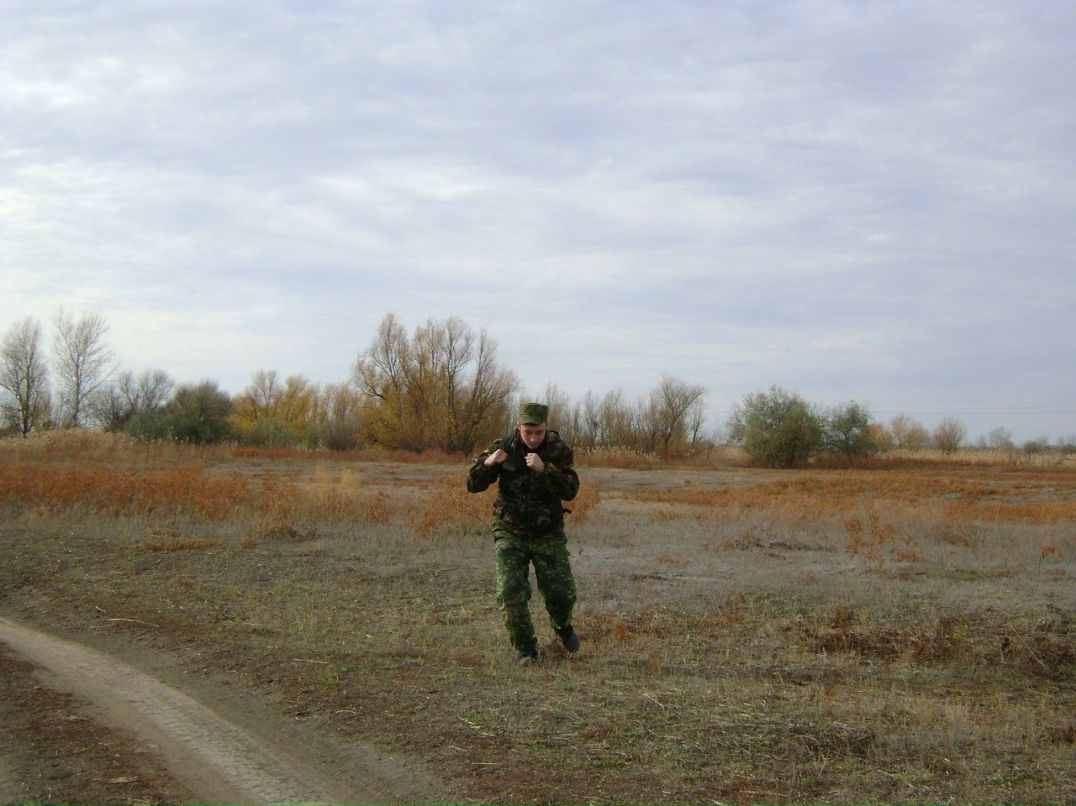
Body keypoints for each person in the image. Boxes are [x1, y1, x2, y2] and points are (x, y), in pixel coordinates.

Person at [467, 402, 581, 666]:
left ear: (546, 428)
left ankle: (562, 625)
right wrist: (489, 462)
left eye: (538, 432)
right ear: (518, 427)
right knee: (510, 590)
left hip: (547, 532)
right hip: (510, 531)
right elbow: (472, 485)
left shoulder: (558, 450)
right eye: (527, 432)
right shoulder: (503, 446)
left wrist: (545, 469)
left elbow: (571, 490)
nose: (532, 438)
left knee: (561, 594)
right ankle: (526, 649)